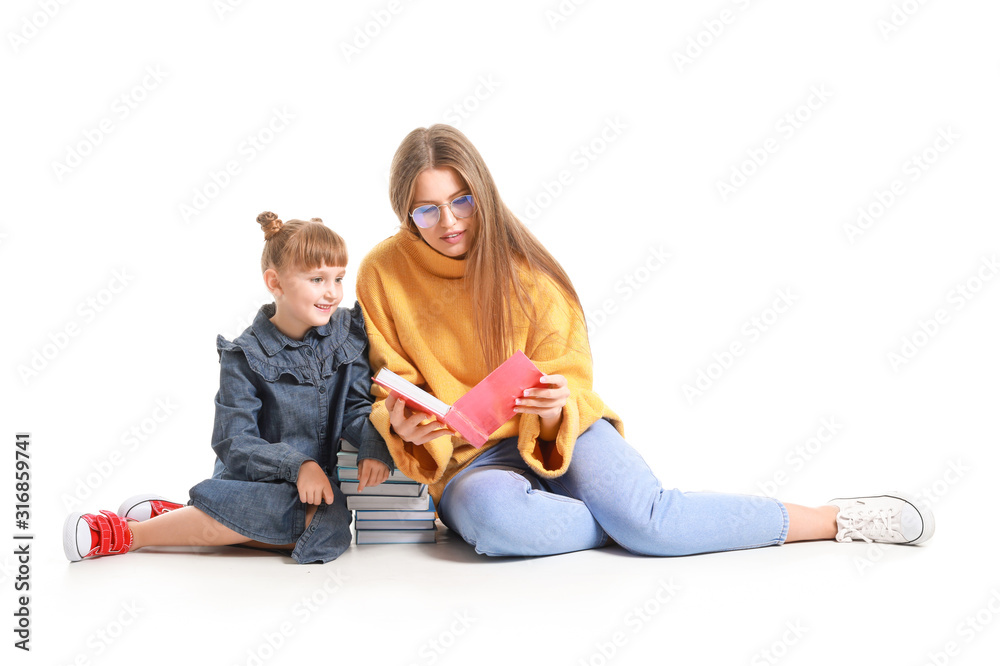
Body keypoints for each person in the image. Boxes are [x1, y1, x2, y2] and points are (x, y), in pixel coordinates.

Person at [355, 124, 935, 557]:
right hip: (468, 459)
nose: (450, 222)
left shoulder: (525, 270)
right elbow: (391, 377)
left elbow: (571, 374)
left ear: (483, 193)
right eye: (426, 211)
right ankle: (633, 522)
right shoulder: (382, 272)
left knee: (654, 523)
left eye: (462, 200)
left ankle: (834, 518)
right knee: (500, 525)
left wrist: (558, 408)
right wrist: (401, 425)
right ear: (404, 215)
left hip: (561, 432)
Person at [63, 213, 393, 563]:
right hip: (256, 481)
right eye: (317, 279)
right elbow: (234, 440)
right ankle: (132, 535)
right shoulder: (243, 356)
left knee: (330, 525)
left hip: (311, 493)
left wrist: (374, 443)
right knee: (300, 515)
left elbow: (357, 406)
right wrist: (298, 465)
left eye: (338, 278)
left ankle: (188, 520)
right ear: (275, 282)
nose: (332, 292)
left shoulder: (347, 333)